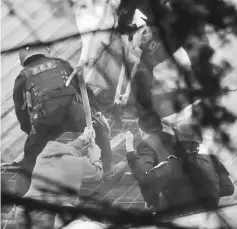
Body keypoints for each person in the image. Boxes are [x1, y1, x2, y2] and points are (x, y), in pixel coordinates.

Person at [14, 45, 126, 197]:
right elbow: (83, 87)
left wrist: (31, 133)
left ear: (24, 61)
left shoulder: (22, 76)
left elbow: (21, 113)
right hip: (73, 110)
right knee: (97, 132)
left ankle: (20, 199)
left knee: (31, 156)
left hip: (45, 116)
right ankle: (108, 171)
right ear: (45, 53)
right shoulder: (61, 63)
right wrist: (97, 113)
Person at [125, 112, 234, 213]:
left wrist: (130, 150)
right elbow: (229, 189)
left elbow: (146, 182)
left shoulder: (169, 166)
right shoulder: (212, 159)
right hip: (208, 211)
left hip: (179, 213)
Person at [15, 127, 103, 229]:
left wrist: (83, 138)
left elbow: (67, 148)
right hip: (44, 217)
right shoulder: (77, 163)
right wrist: (95, 157)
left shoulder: (43, 156)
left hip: (23, 211)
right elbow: (97, 174)